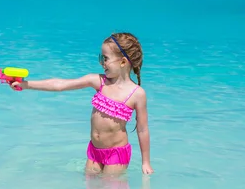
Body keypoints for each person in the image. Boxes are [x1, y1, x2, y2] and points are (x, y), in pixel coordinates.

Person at [9, 32, 154, 175]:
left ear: (123, 62)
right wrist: (26, 84)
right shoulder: (99, 81)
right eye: (101, 58)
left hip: (116, 154)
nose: (102, 63)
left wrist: (145, 162)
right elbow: (60, 84)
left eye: (105, 58)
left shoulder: (137, 94)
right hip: (94, 151)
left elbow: (142, 129)